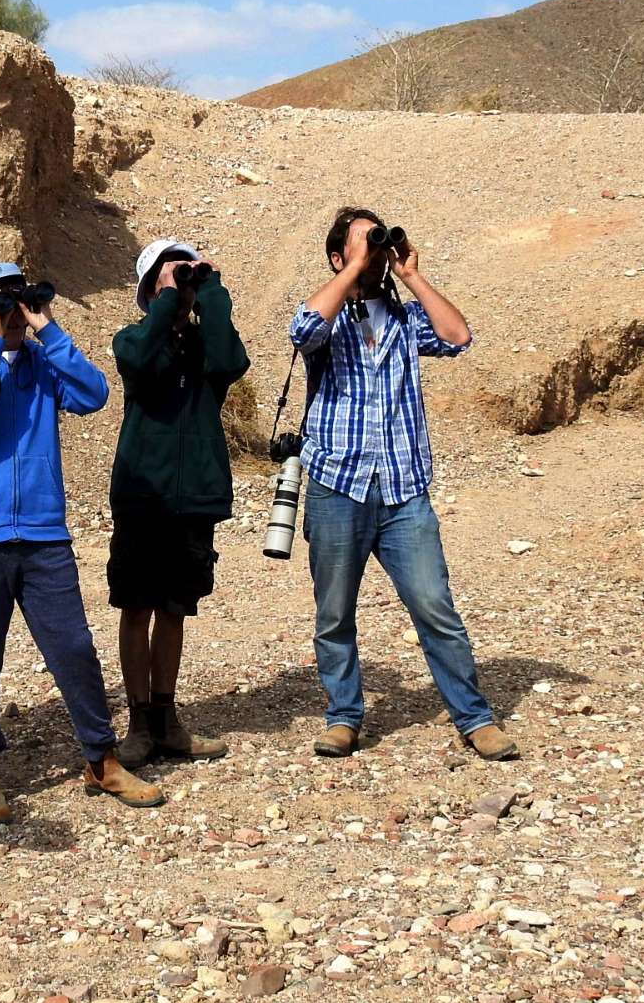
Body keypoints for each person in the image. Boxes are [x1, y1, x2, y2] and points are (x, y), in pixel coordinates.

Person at [290, 207, 519, 762]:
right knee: (334, 612)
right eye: (359, 245)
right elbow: (302, 330)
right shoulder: (330, 315)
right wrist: (354, 268)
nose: (372, 254)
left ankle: (474, 717)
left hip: (402, 488)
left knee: (433, 603)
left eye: (377, 243)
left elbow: (457, 335)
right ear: (336, 257)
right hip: (337, 484)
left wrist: (411, 273)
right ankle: (344, 716)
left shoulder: (404, 318)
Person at [0, 261, 163, 825]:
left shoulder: (43, 360)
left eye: (15, 299)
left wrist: (48, 328)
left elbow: (93, 395)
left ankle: (101, 758)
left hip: (42, 532)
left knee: (73, 650)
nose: (10, 310)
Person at [109, 239, 251, 765]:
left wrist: (211, 291)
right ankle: (139, 721)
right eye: (170, 280)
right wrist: (166, 299)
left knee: (174, 608)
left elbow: (233, 361)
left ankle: (167, 719)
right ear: (150, 291)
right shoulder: (132, 339)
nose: (181, 288)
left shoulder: (203, 347)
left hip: (192, 499)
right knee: (135, 606)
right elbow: (141, 358)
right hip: (143, 497)